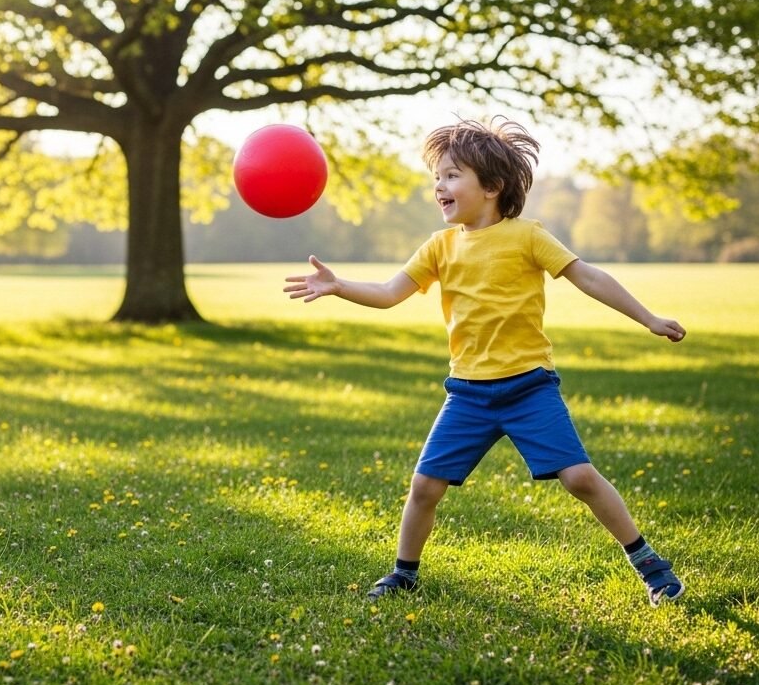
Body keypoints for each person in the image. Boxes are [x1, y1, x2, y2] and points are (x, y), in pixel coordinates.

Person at [284, 117, 686, 606]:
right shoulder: (440, 245)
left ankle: (651, 566)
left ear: (492, 186)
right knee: (425, 485)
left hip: (529, 388)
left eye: (452, 175)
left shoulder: (527, 236)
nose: (439, 186)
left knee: (579, 477)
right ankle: (403, 575)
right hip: (469, 394)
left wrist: (648, 318)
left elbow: (588, 278)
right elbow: (390, 293)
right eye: (437, 176)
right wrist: (339, 285)